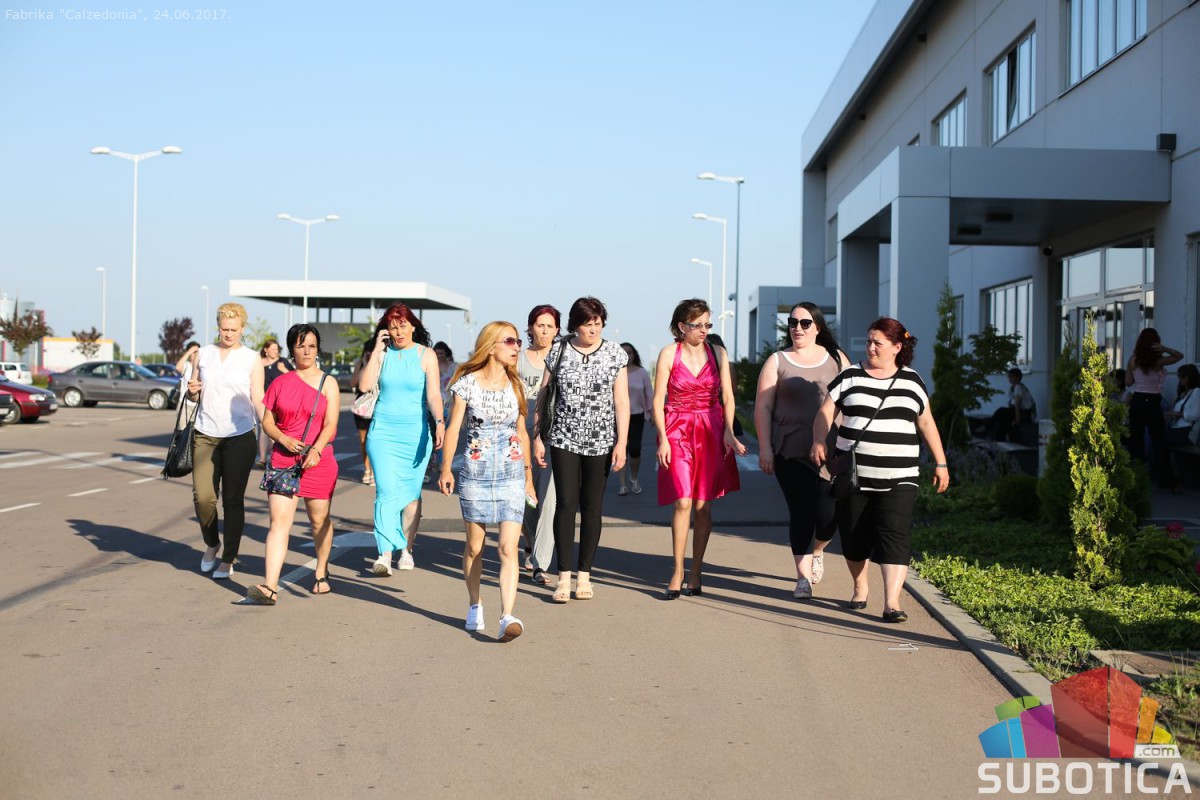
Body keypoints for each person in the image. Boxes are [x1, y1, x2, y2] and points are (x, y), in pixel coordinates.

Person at [811, 317, 949, 623]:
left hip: (901, 475)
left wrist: (941, 462)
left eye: (878, 343)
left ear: (897, 347)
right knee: (854, 536)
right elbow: (825, 412)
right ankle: (860, 584)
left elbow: (926, 422)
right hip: (854, 475)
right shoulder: (850, 376)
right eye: (869, 341)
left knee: (895, 535)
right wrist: (819, 439)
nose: (871, 348)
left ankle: (892, 603)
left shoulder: (911, 381)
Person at [439, 322, 536, 641]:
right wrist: (446, 469)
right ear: (491, 346)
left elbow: (522, 433)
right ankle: (474, 603)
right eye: (510, 341)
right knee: (474, 547)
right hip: (476, 474)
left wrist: (528, 478)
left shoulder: (516, 385)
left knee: (508, 548)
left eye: (518, 341)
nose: (517, 347)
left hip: (511, 473)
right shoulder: (466, 384)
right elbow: (454, 429)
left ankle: (507, 616)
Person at [533, 296, 629, 603]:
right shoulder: (559, 351)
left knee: (592, 507)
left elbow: (621, 401)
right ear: (575, 325)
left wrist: (622, 442)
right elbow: (544, 394)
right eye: (587, 324)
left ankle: (584, 575)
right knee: (565, 503)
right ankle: (563, 576)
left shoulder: (615, 353)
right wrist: (537, 436)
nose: (593, 330)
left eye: (598, 324)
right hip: (564, 438)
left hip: (601, 440)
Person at [754, 302, 850, 600]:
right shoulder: (777, 360)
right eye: (793, 322)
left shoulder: (836, 358)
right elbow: (763, 407)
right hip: (790, 450)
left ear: (817, 327)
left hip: (831, 450)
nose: (798, 328)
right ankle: (803, 578)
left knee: (827, 515)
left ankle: (818, 550)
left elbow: (853, 400)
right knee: (801, 512)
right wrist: (765, 448)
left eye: (805, 323)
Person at [653, 299, 746, 599]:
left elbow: (728, 397)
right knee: (683, 501)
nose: (704, 330)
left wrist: (729, 431)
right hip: (677, 428)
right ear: (682, 327)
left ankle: (696, 570)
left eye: (708, 324)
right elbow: (658, 400)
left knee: (703, 505)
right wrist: (662, 438)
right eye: (698, 325)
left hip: (710, 428)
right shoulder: (669, 353)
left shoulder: (718, 353)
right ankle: (677, 570)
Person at [245, 324, 341, 605]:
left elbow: (331, 424)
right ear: (292, 350)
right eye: (301, 346)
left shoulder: (328, 383)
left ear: (318, 349)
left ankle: (321, 571)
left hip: (318, 461)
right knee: (279, 523)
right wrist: (283, 439)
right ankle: (270, 586)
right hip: (283, 461)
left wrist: (317, 451)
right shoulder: (279, 383)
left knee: (319, 521)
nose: (307, 351)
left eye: (312, 346)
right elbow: (268, 421)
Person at [358, 303, 445, 575]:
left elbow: (433, 394)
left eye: (403, 326)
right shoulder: (382, 354)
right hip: (382, 433)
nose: (398, 332)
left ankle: (406, 549)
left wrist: (440, 422)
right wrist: (376, 350)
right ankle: (384, 554)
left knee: (410, 498)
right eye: (393, 327)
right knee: (385, 492)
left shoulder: (426, 355)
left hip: (415, 434)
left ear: (413, 327)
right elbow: (364, 386)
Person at [185, 303, 265, 580]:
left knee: (232, 500)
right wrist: (192, 392)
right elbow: (194, 393)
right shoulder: (203, 355)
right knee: (203, 498)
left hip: (240, 436)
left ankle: (228, 558)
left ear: (243, 328)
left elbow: (258, 398)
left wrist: (271, 430)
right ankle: (212, 543)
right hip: (205, 433)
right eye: (224, 329)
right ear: (218, 327)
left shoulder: (252, 358)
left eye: (233, 329)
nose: (228, 334)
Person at [519, 304, 561, 586]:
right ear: (531, 327)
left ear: (557, 330)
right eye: (540, 325)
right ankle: (531, 542)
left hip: (552, 435)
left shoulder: (562, 358)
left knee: (549, 500)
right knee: (524, 499)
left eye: (550, 326)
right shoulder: (518, 359)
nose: (544, 331)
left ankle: (539, 562)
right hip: (518, 435)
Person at [1126, 328, 1183, 493]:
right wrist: (1164, 349)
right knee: (1159, 441)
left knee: (1135, 441)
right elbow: (1179, 356)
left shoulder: (1133, 360)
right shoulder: (1159, 362)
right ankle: (1168, 482)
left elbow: (1128, 382)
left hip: (1137, 401)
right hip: (1152, 403)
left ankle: (1134, 479)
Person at [617, 342, 654, 496]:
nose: (627, 355)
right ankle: (623, 484)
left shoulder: (641, 372)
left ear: (634, 355)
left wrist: (651, 413)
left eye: (630, 352)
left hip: (637, 415)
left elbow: (649, 393)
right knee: (621, 448)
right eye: (623, 352)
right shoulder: (614, 372)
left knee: (634, 450)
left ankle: (634, 478)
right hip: (618, 416)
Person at [256, 338, 292, 467]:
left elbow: (295, 377)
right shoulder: (259, 363)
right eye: (273, 349)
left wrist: (284, 370)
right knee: (263, 427)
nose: (275, 351)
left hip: (281, 400)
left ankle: (274, 456)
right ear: (266, 350)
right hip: (264, 400)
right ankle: (262, 458)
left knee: (276, 428)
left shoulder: (282, 362)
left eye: (277, 349)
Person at [429, 341, 458, 483]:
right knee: (433, 434)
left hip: (448, 403)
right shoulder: (430, 365)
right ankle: (432, 460)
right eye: (437, 353)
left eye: (441, 353)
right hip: (433, 404)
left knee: (445, 434)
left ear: (446, 353)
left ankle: (443, 462)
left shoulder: (453, 367)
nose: (439, 355)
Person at [350, 339, 376, 485]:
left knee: (375, 440)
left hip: (378, 405)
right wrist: (365, 365)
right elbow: (353, 383)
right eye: (368, 350)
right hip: (362, 407)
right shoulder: (360, 364)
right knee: (364, 441)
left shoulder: (382, 363)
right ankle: (367, 469)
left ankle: (375, 470)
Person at [987, 367, 1035, 443]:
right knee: (1003, 418)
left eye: (1011, 377)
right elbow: (1011, 405)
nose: (1009, 379)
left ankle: (988, 428)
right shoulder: (1013, 388)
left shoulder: (1018, 387)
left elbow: (1017, 404)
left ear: (1018, 377)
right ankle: (999, 439)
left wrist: (1017, 419)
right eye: (1009, 377)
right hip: (1020, 412)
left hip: (1025, 413)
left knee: (1001, 411)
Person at [1166, 363, 1199, 447]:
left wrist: (1176, 414)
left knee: (1156, 436)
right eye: (1179, 376)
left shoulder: (1197, 392)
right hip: (1176, 429)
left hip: (1187, 433)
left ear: (1191, 377)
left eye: (1183, 376)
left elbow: (1195, 415)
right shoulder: (1183, 393)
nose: (1180, 378)